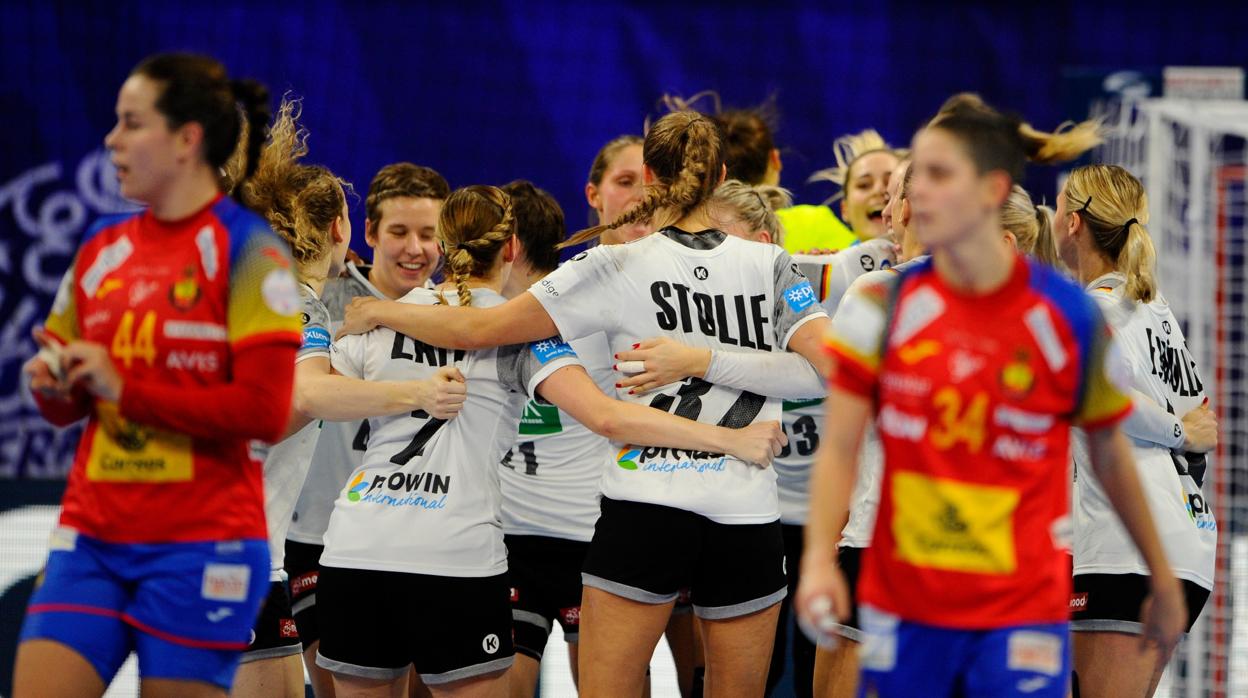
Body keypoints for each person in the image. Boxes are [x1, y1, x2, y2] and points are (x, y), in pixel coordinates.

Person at [337, 111, 831, 696]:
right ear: (722, 174)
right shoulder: (771, 263)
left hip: (646, 504)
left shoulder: (614, 262)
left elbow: (483, 327)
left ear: (649, 177)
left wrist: (380, 310)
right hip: (746, 510)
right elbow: (832, 369)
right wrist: (712, 363)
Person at [796, 94, 1188, 698]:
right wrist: (820, 557)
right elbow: (841, 443)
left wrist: (1161, 574)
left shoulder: (1065, 313)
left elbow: (1109, 453)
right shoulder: (880, 298)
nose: (901, 204)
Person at [16, 53, 300, 697]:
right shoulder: (100, 248)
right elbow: (64, 404)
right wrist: (54, 385)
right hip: (92, 537)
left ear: (186, 140)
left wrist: (124, 388)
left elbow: (262, 412)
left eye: (131, 123)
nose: (112, 140)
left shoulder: (252, 255)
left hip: (203, 548)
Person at [283, 161, 452, 698]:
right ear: (369, 233)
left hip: (427, 537)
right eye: (399, 232)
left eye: (429, 234)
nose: (415, 249)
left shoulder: (460, 314)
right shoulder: (321, 300)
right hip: (318, 538)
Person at [1055, 164, 1218, 698]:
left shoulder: (1093, 310)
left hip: (1123, 552)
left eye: (1057, 208)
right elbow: (1204, 424)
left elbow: (1114, 403)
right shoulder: (1157, 313)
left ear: (1074, 223)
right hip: (1184, 546)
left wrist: (1172, 430)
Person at [494, 179, 609, 696]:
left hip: (558, 539)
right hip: (564, 538)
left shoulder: (471, 322)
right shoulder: (603, 311)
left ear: (507, 246)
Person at [776, 130, 900, 254]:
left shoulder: (919, 264)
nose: (878, 190)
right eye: (864, 185)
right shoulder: (830, 267)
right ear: (845, 209)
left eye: (890, 182)